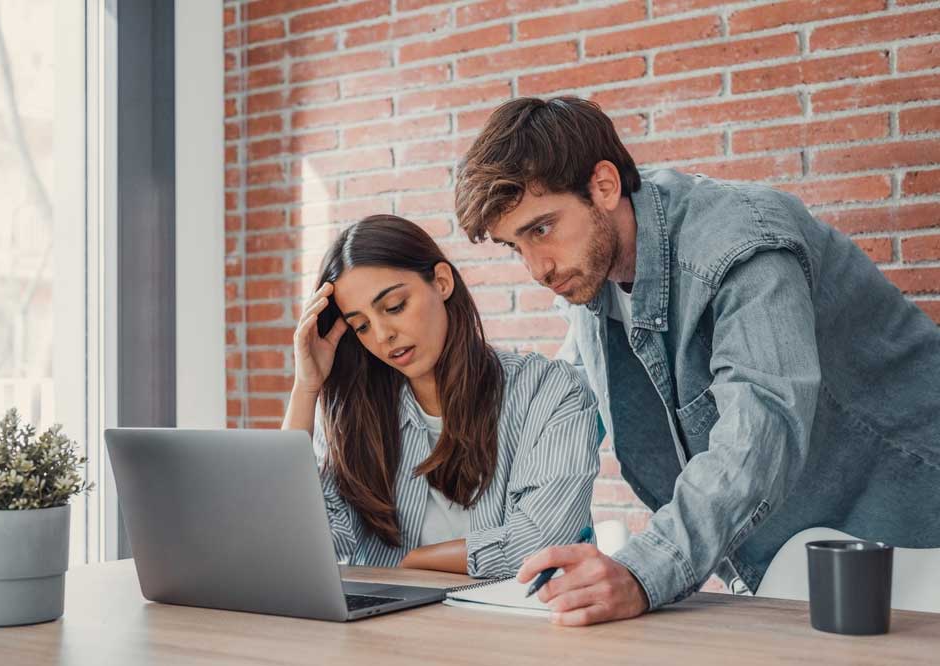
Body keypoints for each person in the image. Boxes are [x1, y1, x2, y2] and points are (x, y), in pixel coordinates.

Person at [454, 96, 940, 624]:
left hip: (913, 529)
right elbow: (567, 408)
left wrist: (643, 570)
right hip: (801, 557)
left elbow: (762, 427)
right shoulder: (591, 273)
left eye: (541, 229)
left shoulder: (741, 243)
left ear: (604, 186)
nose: (537, 269)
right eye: (514, 246)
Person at [281, 214, 600, 577]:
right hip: (388, 614)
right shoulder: (354, 414)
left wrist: (416, 561)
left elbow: (543, 542)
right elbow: (297, 542)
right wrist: (306, 388)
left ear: (442, 282)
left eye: (395, 306)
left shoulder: (549, 392)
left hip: (516, 613)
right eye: (362, 326)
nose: (382, 335)